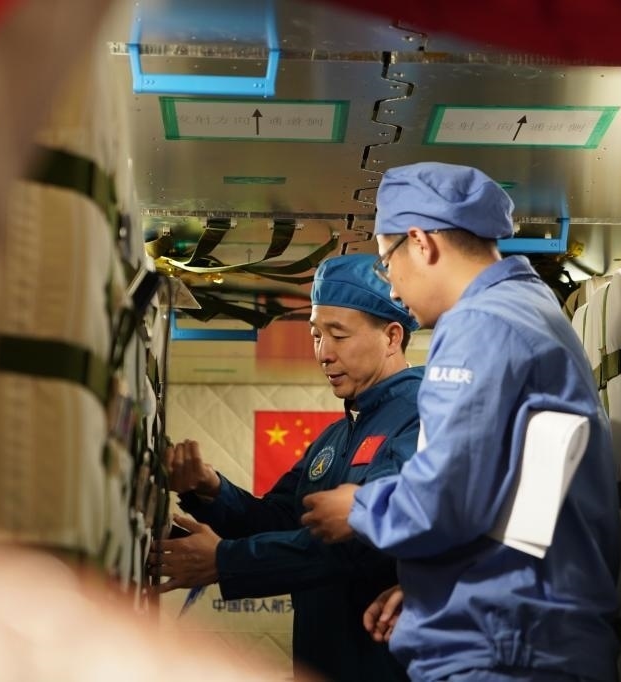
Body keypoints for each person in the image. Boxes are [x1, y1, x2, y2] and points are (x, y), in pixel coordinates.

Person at [301, 162, 621, 682]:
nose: (393, 289)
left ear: (420, 243)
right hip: (528, 633)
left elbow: (451, 495)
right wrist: (435, 589)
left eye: (386, 262)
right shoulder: (531, 308)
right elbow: (515, 492)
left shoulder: (479, 322)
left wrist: (359, 509)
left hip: (506, 651)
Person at [154, 253, 422, 682]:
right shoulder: (335, 436)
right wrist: (210, 491)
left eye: (338, 335)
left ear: (392, 336)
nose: (323, 353)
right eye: (316, 335)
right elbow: (279, 519)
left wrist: (225, 561)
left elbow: (364, 541)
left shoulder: (421, 417)